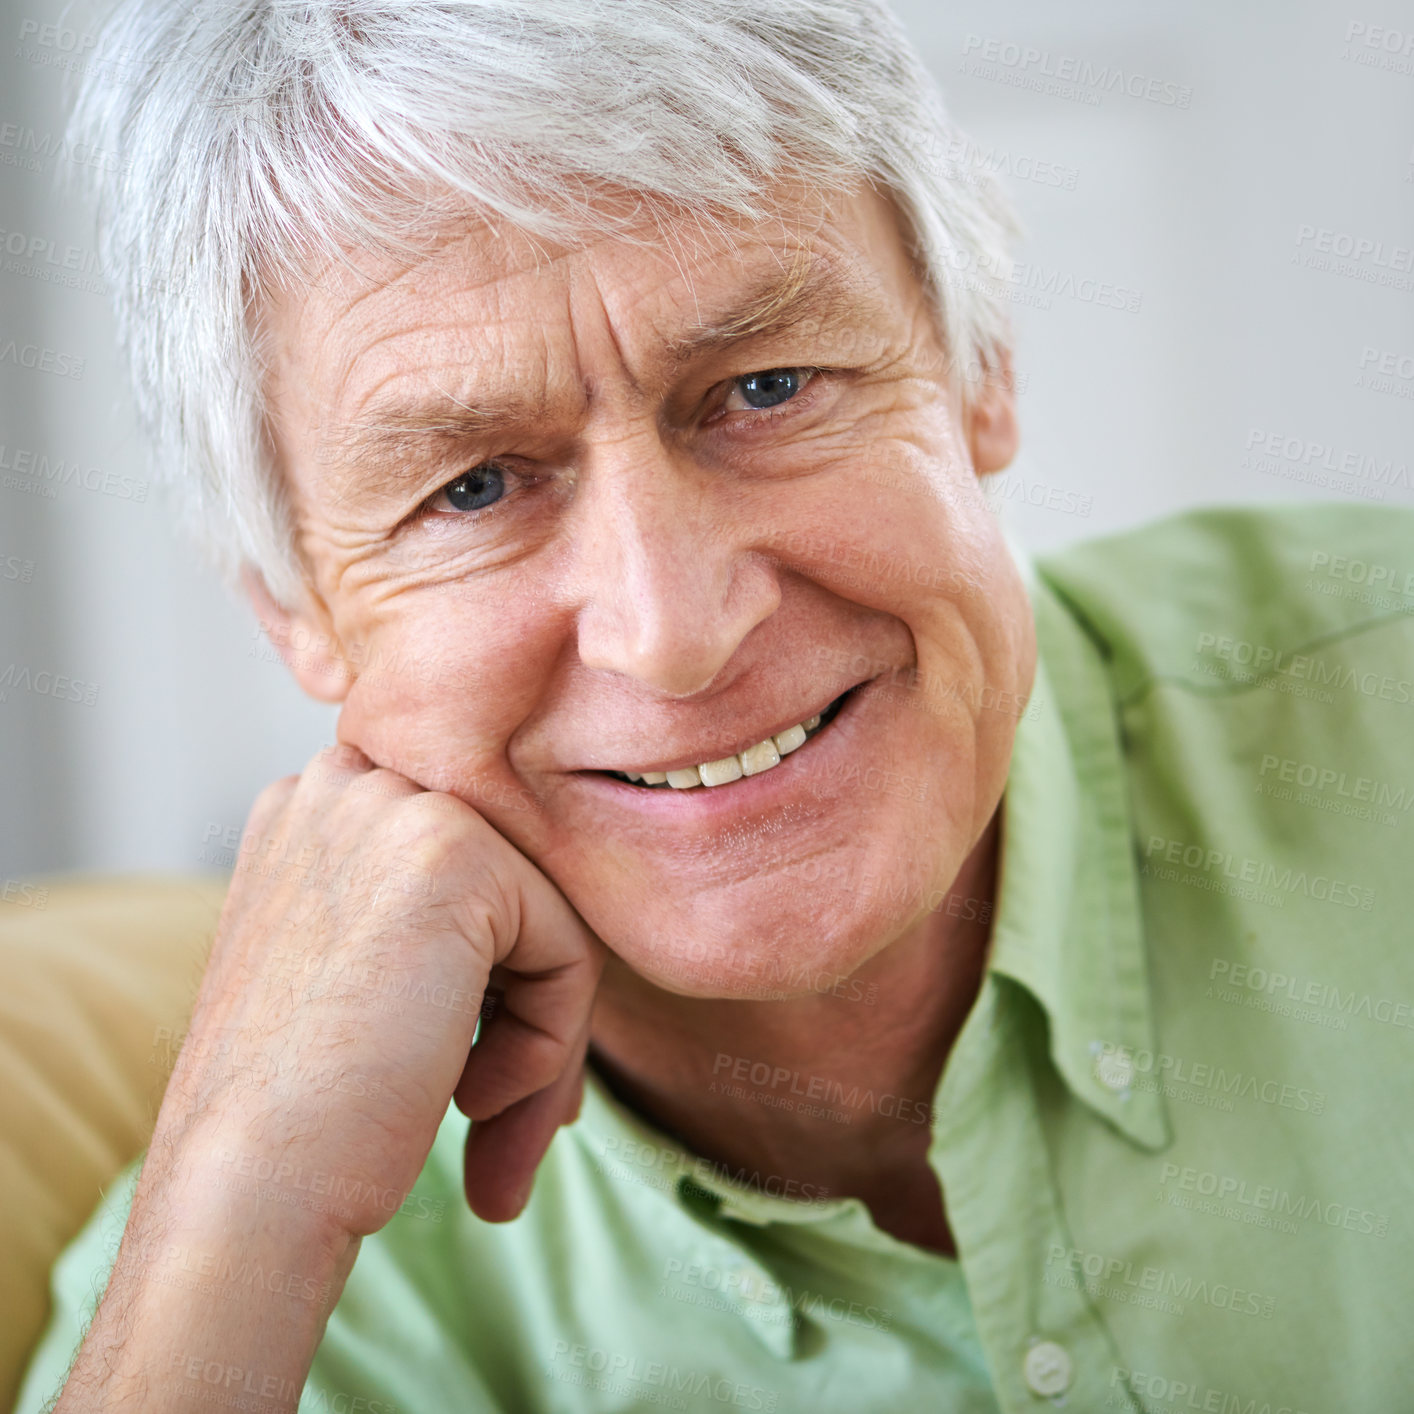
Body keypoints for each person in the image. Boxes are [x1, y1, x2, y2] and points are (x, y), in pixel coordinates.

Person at [16, 1, 1414, 1410]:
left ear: (980, 363)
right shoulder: (264, 1299)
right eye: (476, 487)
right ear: (294, 606)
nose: (673, 630)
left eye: (762, 387)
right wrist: (246, 1199)